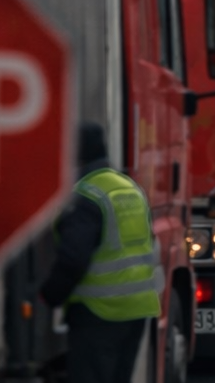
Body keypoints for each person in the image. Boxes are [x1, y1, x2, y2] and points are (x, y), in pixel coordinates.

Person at [40, 122, 162, 383]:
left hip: (100, 312)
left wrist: (48, 296)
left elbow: (73, 259)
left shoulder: (87, 196)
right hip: (138, 309)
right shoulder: (129, 187)